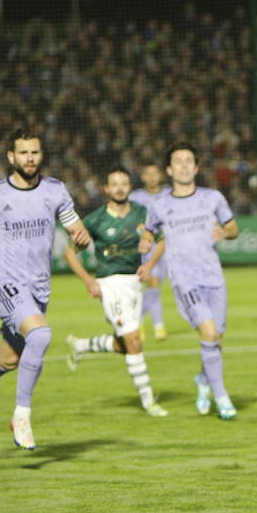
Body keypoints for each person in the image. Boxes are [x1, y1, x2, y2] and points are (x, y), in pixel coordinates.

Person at [0, 129, 91, 450]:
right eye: (23, 153)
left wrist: (80, 238)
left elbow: (76, 229)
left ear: (41, 155)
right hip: (3, 283)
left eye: (35, 153)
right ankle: (22, 416)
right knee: (40, 335)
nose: (30, 159)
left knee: (10, 359)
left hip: (38, 289)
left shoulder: (55, 190)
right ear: (11, 157)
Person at [138, 145, 240, 419]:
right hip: (185, 280)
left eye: (188, 161)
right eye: (177, 162)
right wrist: (146, 241)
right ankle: (222, 398)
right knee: (208, 333)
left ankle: (204, 381)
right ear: (169, 170)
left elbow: (233, 227)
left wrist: (226, 232)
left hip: (213, 277)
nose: (183, 166)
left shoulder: (212, 198)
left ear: (196, 167)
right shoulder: (160, 205)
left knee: (216, 338)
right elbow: (149, 232)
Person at [62, 167, 168, 417]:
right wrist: (88, 280)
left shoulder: (143, 214)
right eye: (114, 184)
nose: (120, 187)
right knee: (134, 340)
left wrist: (149, 265)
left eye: (124, 183)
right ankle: (148, 400)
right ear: (106, 189)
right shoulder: (96, 220)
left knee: (125, 344)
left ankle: (81, 345)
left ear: (129, 187)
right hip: (110, 284)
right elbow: (69, 252)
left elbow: (161, 240)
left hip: (134, 284)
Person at [129, 164, 170, 340]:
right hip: (147, 246)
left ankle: (137, 321)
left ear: (161, 175)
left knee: (155, 285)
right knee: (152, 283)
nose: (152, 177)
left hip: (168, 246)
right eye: (148, 174)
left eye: (155, 173)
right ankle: (158, 326)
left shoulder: (170, 193)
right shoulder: (135, 197)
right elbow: (130, 219)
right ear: (143, 177)